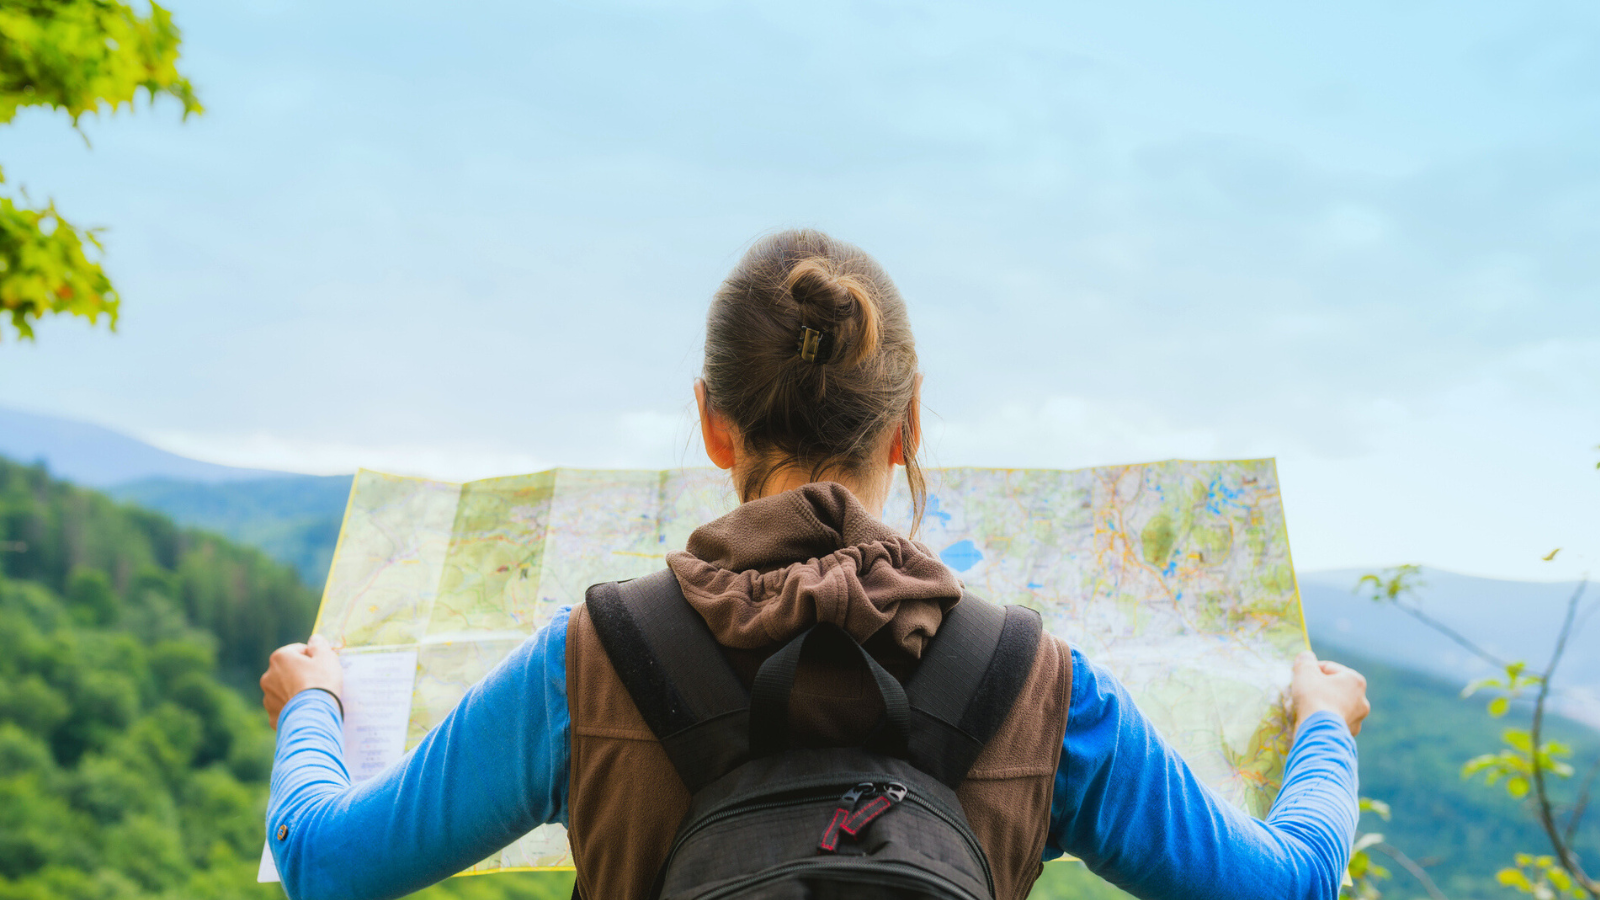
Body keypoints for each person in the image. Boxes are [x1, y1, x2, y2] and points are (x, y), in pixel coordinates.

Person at [261, 229, 1369, 900]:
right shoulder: (1041, 688)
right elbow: (1287, 883)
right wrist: (1319, 724)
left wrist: (312, 707)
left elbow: (327, 864)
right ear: (909, 427)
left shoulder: (588, 664)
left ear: (710, 422)